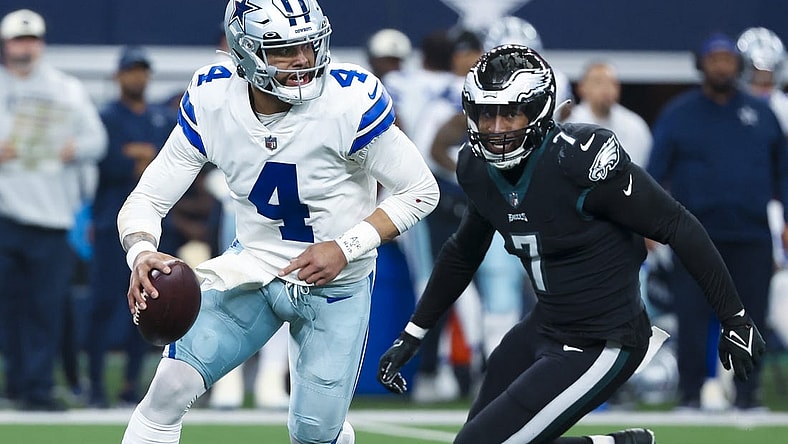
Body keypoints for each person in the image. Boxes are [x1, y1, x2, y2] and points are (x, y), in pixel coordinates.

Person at [377, 44, 766, 444]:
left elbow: (677, 225)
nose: (495, 128)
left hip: (603, 341)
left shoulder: (581, 161)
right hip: (542, 327)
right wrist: (414, 333)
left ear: (539, 111)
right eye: (486, 113)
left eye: (509, 112)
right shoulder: (477, 168)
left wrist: (734, 317)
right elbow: (463, 252)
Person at [119, 1, 438, 443]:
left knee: (313, 433)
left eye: (308, 45)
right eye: (283, 49)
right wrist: (141, 250)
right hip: (253, 268)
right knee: (167, 392)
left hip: (337, 286)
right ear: (244, 52)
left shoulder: (347, 101)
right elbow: (148, 198)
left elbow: (421, 190)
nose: (303, 60)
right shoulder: (214, 100)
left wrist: (344, 246)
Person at [647, 32, 787, 412]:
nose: (722, 66)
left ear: (737, 66)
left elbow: (783, 174)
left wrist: (785, 220)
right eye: (715, 59)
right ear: (701, 65)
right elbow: (654, 173)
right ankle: (690, 394)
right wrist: (648, 224)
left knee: (750, 315)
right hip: (693, 234)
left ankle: (747, 395)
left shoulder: (761, 114)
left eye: (728, 59)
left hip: (751, 233)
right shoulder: (679, 113)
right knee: (691, 315)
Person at [0, 8, 107, 411]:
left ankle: (39, 387)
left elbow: (97, 141)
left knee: (46, 309)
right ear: (6, 44)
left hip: (52, 217)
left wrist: (72, 148)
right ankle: (16, 382)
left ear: (41, 43)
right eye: (17, 39)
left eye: (31, 39)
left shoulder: (66, 90)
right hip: (5, 215)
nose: (24, 47)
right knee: (9, 308)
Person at [86, 45, 176, 408]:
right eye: (131, 70)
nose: (137, 77)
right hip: (111, 222)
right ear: (118, 76)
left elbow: (168, 161)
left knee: (148, 306)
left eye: (142, 70)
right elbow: (105, 161)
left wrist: (138, 156)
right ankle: (94, 385)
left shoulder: (158, 117)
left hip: (152, 226)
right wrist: (133, 160)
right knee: (104, 304)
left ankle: (130, 385)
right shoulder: (105, 116)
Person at [564, 61, 652, 167]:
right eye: (598, 82)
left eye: (612, 83)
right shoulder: (567, 126)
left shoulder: (635, 126)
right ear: (582, 88)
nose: (606, 89)